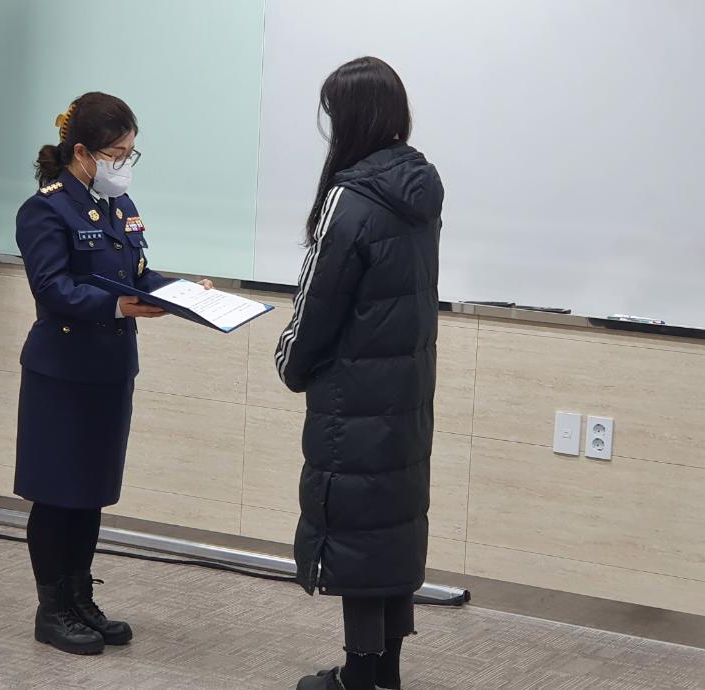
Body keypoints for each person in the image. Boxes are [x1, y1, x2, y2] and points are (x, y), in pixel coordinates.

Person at [14, 92, 211, 655]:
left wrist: (182, 291)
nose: (124, 164)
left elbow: (137, 274)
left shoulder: (118, 206)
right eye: (115, 154)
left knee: (91, 490)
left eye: (129, 153)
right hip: (62, 371)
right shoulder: (45, 210)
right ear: (82, 152)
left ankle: (80, 599)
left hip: (111, 369)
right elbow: (52, 288)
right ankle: (52, 609)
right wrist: (118, 306)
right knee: (57, 492)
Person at [275, 57, 443, 690]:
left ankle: (358, 678)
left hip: (353, 400)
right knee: (388, 529)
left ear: (353, 118)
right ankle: (382, 672)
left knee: (354, 530)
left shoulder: (351, 198)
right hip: (405, 395)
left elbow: (316, 305)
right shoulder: (419, 186)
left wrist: (289, 362)